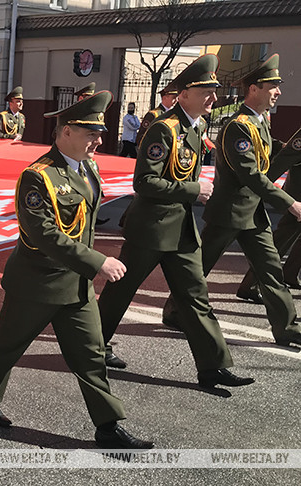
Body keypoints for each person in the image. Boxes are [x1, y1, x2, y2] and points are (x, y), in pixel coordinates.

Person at [0, 91, 152, 449]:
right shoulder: (37, 177)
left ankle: (108, 425)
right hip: (37, 284)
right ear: (66, 131)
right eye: (90, 134)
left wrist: (88, 267)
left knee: (90, 355)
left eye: (99, 134)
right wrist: (98, 262)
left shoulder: (89, 168)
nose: (98, 141)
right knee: (6, 347)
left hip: (76, 287)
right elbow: (44, 235)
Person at [97, 55, 254, 389]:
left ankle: (213, 366)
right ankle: (91, 349)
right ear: (183, 94)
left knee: (196, 297)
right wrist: (194, 190)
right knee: (119, 293)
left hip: (181, 232)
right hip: (151, 229)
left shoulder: (194, 130)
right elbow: (144, 183)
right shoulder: (163, 129)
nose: (213, 97)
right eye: (205, 91)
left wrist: (189, 195)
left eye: (214, 91)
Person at [164, 54, 301, 348]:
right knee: (199, 267)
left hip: (253, 213)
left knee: (271, 269)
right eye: (272, 86)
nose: (278, 92)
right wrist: (291, 203)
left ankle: (287, 327)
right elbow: (251, 174)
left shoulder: (260, 121)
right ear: (254, 89)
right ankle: (174, 311)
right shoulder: (238, 126)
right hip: (230, 212)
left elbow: (269, 160)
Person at [235, 124, 301, 301]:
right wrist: (260, 188)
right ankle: (249, 284)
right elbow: (283, 160)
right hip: (298, 197)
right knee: (281, 240)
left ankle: (290, 273)